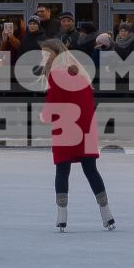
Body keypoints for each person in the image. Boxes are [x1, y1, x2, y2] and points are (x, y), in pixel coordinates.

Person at [39, 39, 114, 232]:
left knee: (62, 171)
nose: (44, 58)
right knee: (91, 170)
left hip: (66, 127)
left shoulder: (56, 74)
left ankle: (61, 216)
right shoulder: (79, 72)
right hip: (85, 127)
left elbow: (54, 102)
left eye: (47, 54)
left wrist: (45, 116)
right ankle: (107, 214)